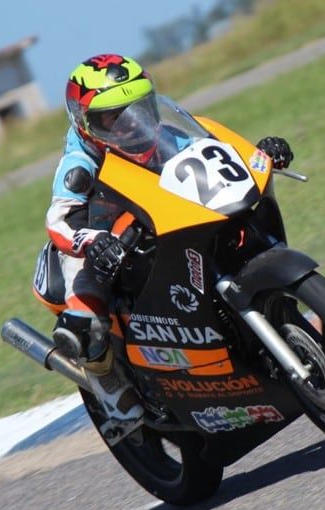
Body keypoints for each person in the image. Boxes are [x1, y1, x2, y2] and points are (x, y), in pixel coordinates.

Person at [38, 53, 294, 423]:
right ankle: (105, 379)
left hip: (149, 215)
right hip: (96, 233)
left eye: (138, 109)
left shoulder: (153, 134)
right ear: (86, 123)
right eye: (113, 117)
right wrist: (93, 242)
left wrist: (258, 157)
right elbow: (59, 220)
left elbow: (202, 155)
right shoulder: (79, 163)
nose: (129, 124)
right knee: (84, 320)